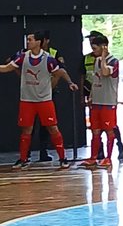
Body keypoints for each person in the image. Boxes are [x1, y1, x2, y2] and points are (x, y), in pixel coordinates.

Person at [0, 29, 79, 168]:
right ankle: (23, 159)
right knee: (26, 130)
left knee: (52, 128)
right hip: (27, 100)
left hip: (44, 100)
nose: (28, 42)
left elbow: (60, 71)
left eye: (30, 39)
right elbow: (6, 68)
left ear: (38, 42)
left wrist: (69, 83)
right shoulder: (23, 57)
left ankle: (62, 158)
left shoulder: (48, 59)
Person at [82, 31, 123, 161]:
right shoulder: (96, 60)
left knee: (109, 130)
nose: (92, 50)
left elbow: (106, 72)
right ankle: (93, 157)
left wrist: (103, 58)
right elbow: (95, 80)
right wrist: (90, 96)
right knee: (95, 130)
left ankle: (109, 157)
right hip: (96, 101)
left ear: (104, 47)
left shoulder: (113, 61)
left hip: (108, 101)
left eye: (95, 48)